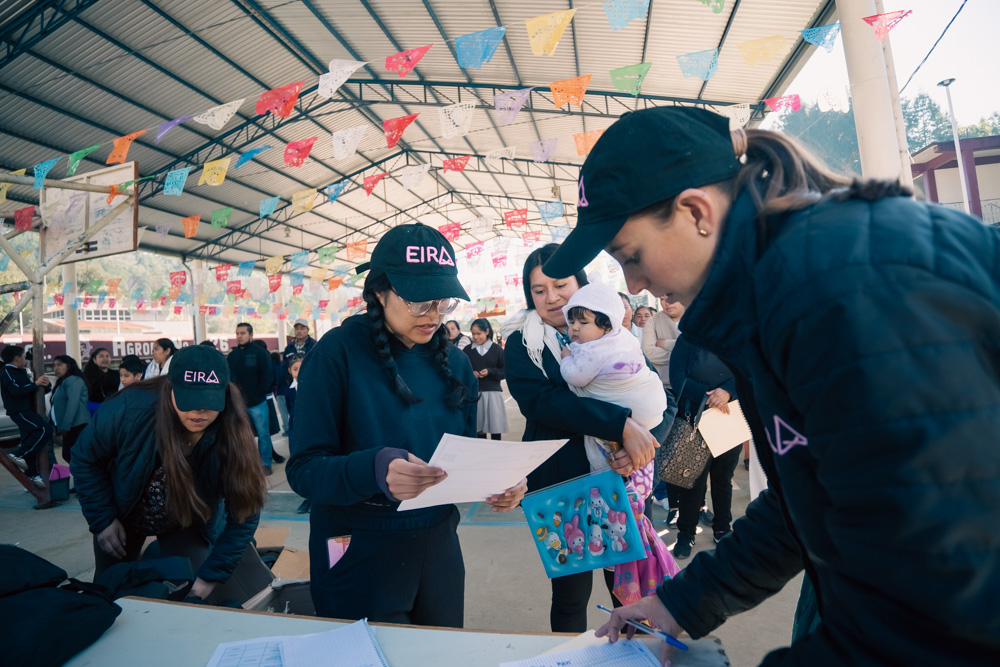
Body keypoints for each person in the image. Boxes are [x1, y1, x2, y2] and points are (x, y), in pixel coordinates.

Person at [541, 105, 1000, 664]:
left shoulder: (839, 290)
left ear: (695, 211)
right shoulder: (773, 290)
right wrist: (682, 604)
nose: (634, 282)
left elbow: (940, 592)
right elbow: (805, 494)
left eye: (630, 256)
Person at [287, 223, 527, 627]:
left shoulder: (454, 364)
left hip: (437, 546)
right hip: (357, 546)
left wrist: (499, 482)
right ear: (379, 291)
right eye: (419, 302)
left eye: (444, 303)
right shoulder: (336, 354)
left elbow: (465, 457)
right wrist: (374, 468)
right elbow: (303, 470)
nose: (434, 315)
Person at [500, 243, 658, 633]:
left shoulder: (612, 331)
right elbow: (543, 403)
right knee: (570, 595)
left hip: (621, 481)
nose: (552, 298)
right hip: (562, 485)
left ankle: (633, 657)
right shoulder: (522, 344)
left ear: (581, 285)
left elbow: (654, 390)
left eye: (560, 284)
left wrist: (643, 444)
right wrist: (621, 424)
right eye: (539, 290)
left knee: (630, 591)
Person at [71, 345, 267, 599]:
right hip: (121, 514)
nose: (199, 412)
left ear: (224, 394)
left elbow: (245, 511)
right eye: (189, 401)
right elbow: (85, 458)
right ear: (170, 389)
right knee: (110, 590)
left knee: (191, 590)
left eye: (209, 402)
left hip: (185, 518)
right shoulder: (128, 409)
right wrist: (103, 519)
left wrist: (211, 576)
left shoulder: (232, 429)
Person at [558, 282, 666, 475]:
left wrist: (566, 358)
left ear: (607, 325)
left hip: (630, 410)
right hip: (653, 407)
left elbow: (575, 377)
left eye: (583, 323)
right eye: (572, 321)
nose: (574, 328)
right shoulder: (624, 339)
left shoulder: (594, 350)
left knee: (601, 457)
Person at [665, 335, 741, 560]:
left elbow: (748, 371)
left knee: (723, 477)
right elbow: (678, 379)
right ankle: (686, 533)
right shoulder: (687, 339)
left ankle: (722, 528)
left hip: (728, 418)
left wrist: (727, 392)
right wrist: (712, 395)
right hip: (694, 419)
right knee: (691, 480)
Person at [227, 323, 275, 474]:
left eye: (242, 333)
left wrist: (260, 392)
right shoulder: (233, 356)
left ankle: (265, 462)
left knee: (263, 433)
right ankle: (246, 463)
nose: (239, 336)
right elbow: (228, 377)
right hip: (238, 403)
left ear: (251, 335)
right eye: (237, 333)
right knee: (241, 435)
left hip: (257, 402)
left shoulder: (260, 353)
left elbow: (268, 374)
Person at [1, 345, 51, 487]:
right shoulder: (7, 372)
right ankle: (19, 454)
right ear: (17, 358)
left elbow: (33, 389)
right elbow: (16, 391)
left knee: (31, 439)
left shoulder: (23, 371)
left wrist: (44, 385)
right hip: (20, 411)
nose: (24, 359)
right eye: (23, 356)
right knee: (44, 430)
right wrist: (35, 383)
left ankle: (33, 474)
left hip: (28, 409)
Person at [463, 318, 507, 440]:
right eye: (473, 334)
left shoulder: (497, 349)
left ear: (487, 331)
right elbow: (462, 371)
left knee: (495, 430)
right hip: (475, 395)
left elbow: (505, 372)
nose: (475, 337)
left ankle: (496, 456)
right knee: (479, 430)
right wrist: (470, 374)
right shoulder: (467, 350)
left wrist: (490, 371)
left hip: (493, 394)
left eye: (478, 334)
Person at [50, 355, 90, 463]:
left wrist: (65, 425)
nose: (56, 368)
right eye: (54, 366)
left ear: (69, 366)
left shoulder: (73, 380)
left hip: (77, 426)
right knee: (70, 455)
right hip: (70, 427)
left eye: (59, 365)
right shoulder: (63, 382)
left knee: (73, 455)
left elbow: (73, 403)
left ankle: (86, 478)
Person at [83, 347, 119, 415]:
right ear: (94, 360)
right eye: (101, 356)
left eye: (107, 356)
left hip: (113, 407)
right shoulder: (87, 375)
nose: (105, 359)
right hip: (94, 408)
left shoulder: (116, 374)